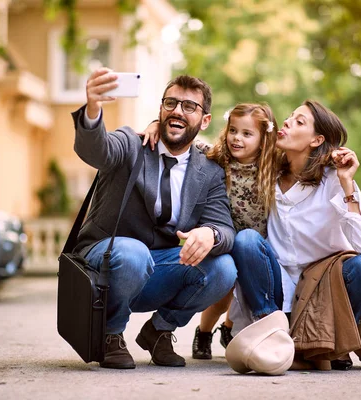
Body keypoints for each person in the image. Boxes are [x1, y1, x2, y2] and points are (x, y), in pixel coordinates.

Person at [71, 67, 237, 370]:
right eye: (171, 103)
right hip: (107, 262)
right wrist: (93, 109)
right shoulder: (131, 143)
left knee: (224, 268)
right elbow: (96, 151)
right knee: (133, 254)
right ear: (161, 109)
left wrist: (210, 234)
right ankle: (110, 333)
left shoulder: (209, 171)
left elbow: (224, 227)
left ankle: (159, 331)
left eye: (190, 107)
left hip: (159, 269)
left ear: (205, 120)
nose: (178, 111)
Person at [229, 99, 361, 371]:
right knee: (246, 241)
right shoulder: (267, 169)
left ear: (316, 140)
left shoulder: (334, 179)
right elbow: (221, 152)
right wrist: (157, 126)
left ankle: (335, 342)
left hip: (324, 286)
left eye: (299, 121)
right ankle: (272, 336)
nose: (287, 122)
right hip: (276, 283)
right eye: (290, 117)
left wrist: (347, 182)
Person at [142, 103, 279, 360]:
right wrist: (154, 126)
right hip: (223, 240)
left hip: (253, 245)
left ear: (264, 140)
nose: (237, 138)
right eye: (233, 130)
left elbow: (301, 158)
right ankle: (204, 332)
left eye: (247, 134)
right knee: (223, 293)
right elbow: (181, 140)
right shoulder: (216, 157)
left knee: (246, 294)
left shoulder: (272, 167)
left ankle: (228, 329)